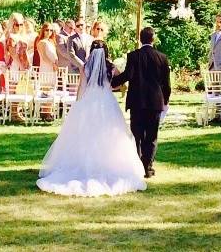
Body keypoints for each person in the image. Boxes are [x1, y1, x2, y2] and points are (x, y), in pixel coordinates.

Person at [37, 40, 147, 197]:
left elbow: (82, 86)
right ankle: (107, 164)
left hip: (89, 100)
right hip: (106, 101)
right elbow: (115, 84)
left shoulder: (85, 66)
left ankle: (84, 164)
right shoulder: (111, 67)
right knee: (109, 135)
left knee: (85, 134)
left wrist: (78, 104)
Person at [111, 27, 171, 179]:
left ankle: (137, 166)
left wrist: (111, 82)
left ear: (140, 39)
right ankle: (148, 167)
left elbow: (128, 75)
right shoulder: (162, 57)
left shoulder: (133, 56)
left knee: (137, 135)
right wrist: (166, 100)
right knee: (151, 136)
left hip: (137, 101)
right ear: (153, 39)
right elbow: (166, 84)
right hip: (155, 102)